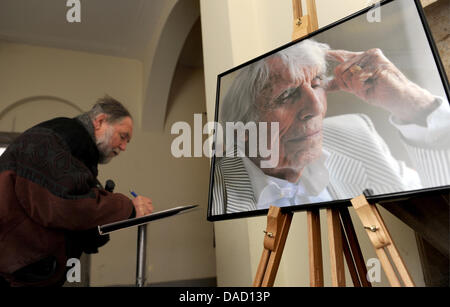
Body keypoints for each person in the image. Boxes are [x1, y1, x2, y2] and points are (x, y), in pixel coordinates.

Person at [211, 39, 450, 215]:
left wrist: (412, 103)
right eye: (286, 95)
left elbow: (439, 211)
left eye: (316, 84)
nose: (315, 108)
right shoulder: (217, 193)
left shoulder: (356, 133)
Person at [0, 96, 154, 286]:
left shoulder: (71, 144)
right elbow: (65, 205)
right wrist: (128, 208)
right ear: (100, 122)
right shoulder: (62, 138)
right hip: (17, 269)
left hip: (24, 265)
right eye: (123, 137)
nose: (123, 147)